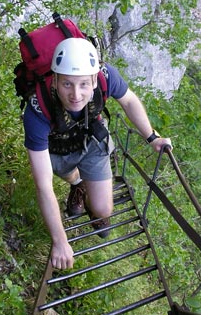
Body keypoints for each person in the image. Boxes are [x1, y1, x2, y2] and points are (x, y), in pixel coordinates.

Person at [23, 37, 172, 270]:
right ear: (55, 81)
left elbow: (129, 101)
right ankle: (78, 184)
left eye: (83, 84)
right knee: (66, 172)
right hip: (56, 150)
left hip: (91, 141)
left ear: (94, 80)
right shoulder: (37, 110)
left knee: (103, 210)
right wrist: (60, 241)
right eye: (67, 84)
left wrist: (152, 137)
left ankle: (84, 189)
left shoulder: (106, 76)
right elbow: (43, 185)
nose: (75, 94)